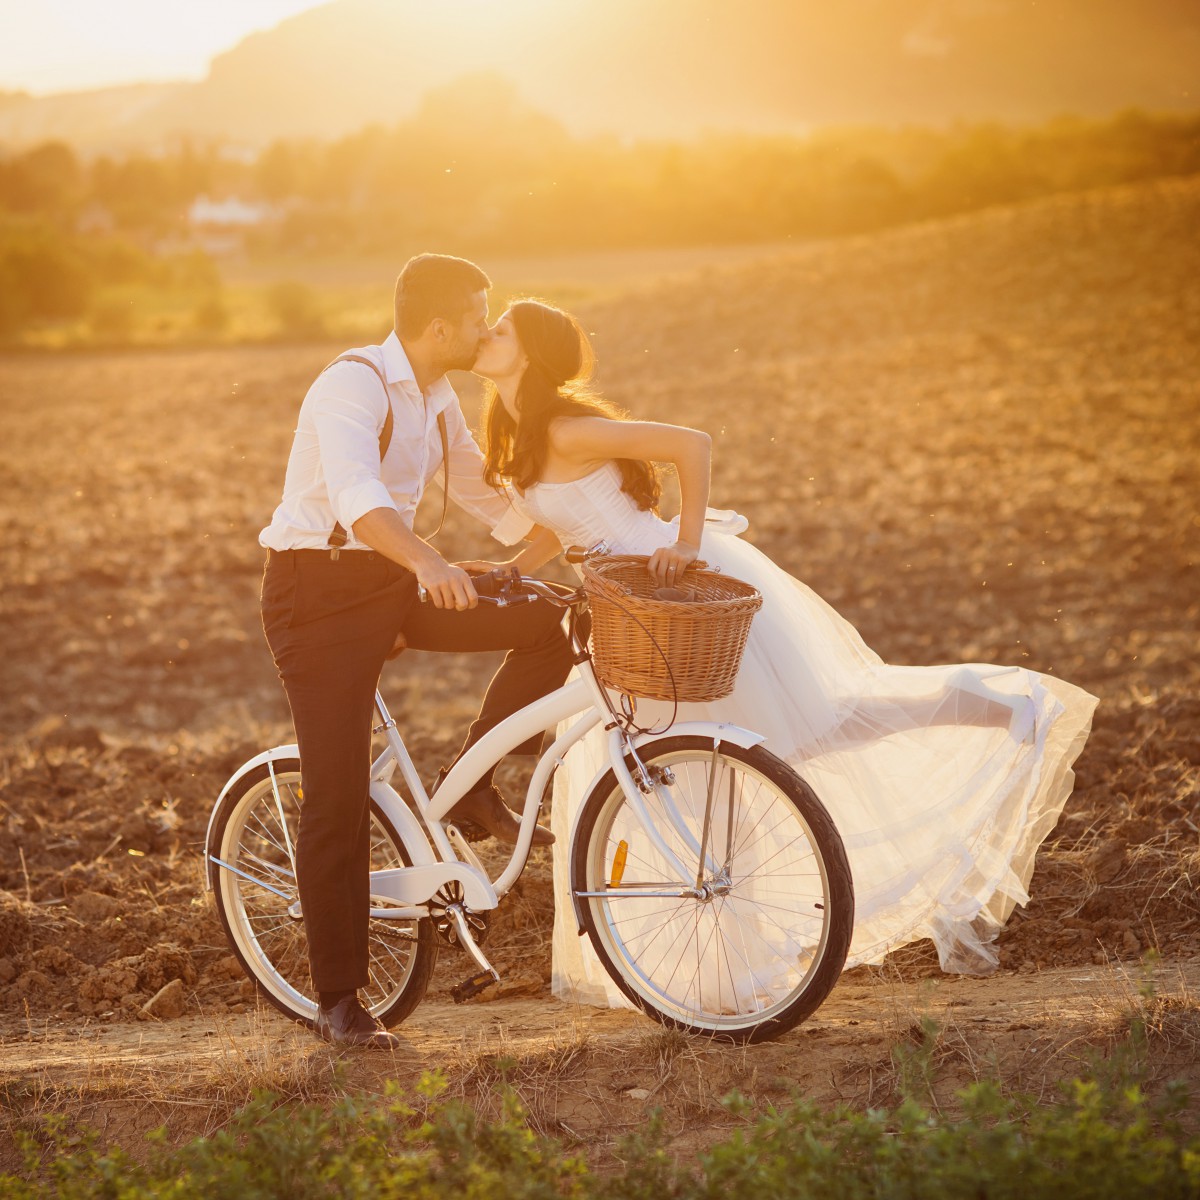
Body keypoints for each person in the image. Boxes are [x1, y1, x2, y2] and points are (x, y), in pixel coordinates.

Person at [467, 298, 1098, 1005]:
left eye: (499, 331)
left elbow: (692, 444)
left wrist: (684, 541)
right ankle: (715, 969)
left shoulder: (566, 424)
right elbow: (564, 522)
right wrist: (515, 569)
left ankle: (995, 707)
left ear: (531, 354)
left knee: (800, 734)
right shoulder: (516, 430)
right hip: (621, 612)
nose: (483, 338)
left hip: (667, 591)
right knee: (693, 777)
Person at [258, 257, 570, 1048]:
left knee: (551, 624)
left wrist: (555, 539)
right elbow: (358, 498)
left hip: (391, 580)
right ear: (438, 328)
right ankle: (338, 999)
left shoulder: (437, 397)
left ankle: (470, 784)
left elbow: (476, 486)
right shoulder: (351, 385)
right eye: (476, 318)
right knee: (337, 793)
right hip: (319, 595)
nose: (484, 331)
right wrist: (428, 564)